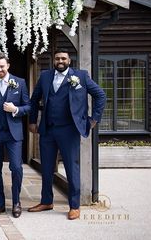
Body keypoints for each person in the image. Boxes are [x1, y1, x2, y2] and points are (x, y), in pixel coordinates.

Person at [28, 48, 106, 220]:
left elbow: (100, 95)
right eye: (57, 58)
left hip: (69, 130)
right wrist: (32, 121)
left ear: (69, 61)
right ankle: (46, 201)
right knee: (46, 168)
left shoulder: (81, 76)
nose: (60, 61)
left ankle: (74, 206)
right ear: (53, 61)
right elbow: (34, 99)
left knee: (72, 167)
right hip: (48, 129)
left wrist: (94, 120)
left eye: (63, 58)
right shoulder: (46, 76)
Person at [0, 53, 30, 218]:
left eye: (2, 66)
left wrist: (15, 110)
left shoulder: (20, 83)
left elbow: (28, 107)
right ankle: (0, 203)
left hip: (13, 134)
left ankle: (16, 202)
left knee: (16, 167)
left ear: (8, 65)